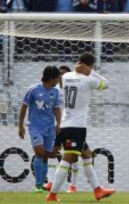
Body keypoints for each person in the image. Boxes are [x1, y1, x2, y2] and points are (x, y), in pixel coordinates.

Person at [46, 53, 115, 201]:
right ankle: (52, 194)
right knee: (67, 159)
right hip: (76, 127)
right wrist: (90, 72)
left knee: (87, 154)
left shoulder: (65, 77)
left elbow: (58, 86)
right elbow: (107, 84)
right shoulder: (89, 80)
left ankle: (98, 190)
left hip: (65, 123)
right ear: (90, 65)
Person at [18, 66, 62, 193]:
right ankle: (38, 185)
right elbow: (23, 108)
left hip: (50, 127)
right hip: (35, 127)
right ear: (51, 78)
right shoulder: (33, 90)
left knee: (47, 156)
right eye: (57, 77)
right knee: (39, 153)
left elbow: (57, 108)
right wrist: (20, 126)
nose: (59, 80)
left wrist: (58, 124)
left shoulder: (56, 91)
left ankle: (42, 184)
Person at [44, 65, 81, 194]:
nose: (61, 76)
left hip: (71, 127)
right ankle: (50, 182)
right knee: (51, 152)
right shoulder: (53, 90)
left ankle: (73, 185)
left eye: (64, 74)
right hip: (56, 126)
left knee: (73, 155)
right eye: (60, 74)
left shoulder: (73, 89)